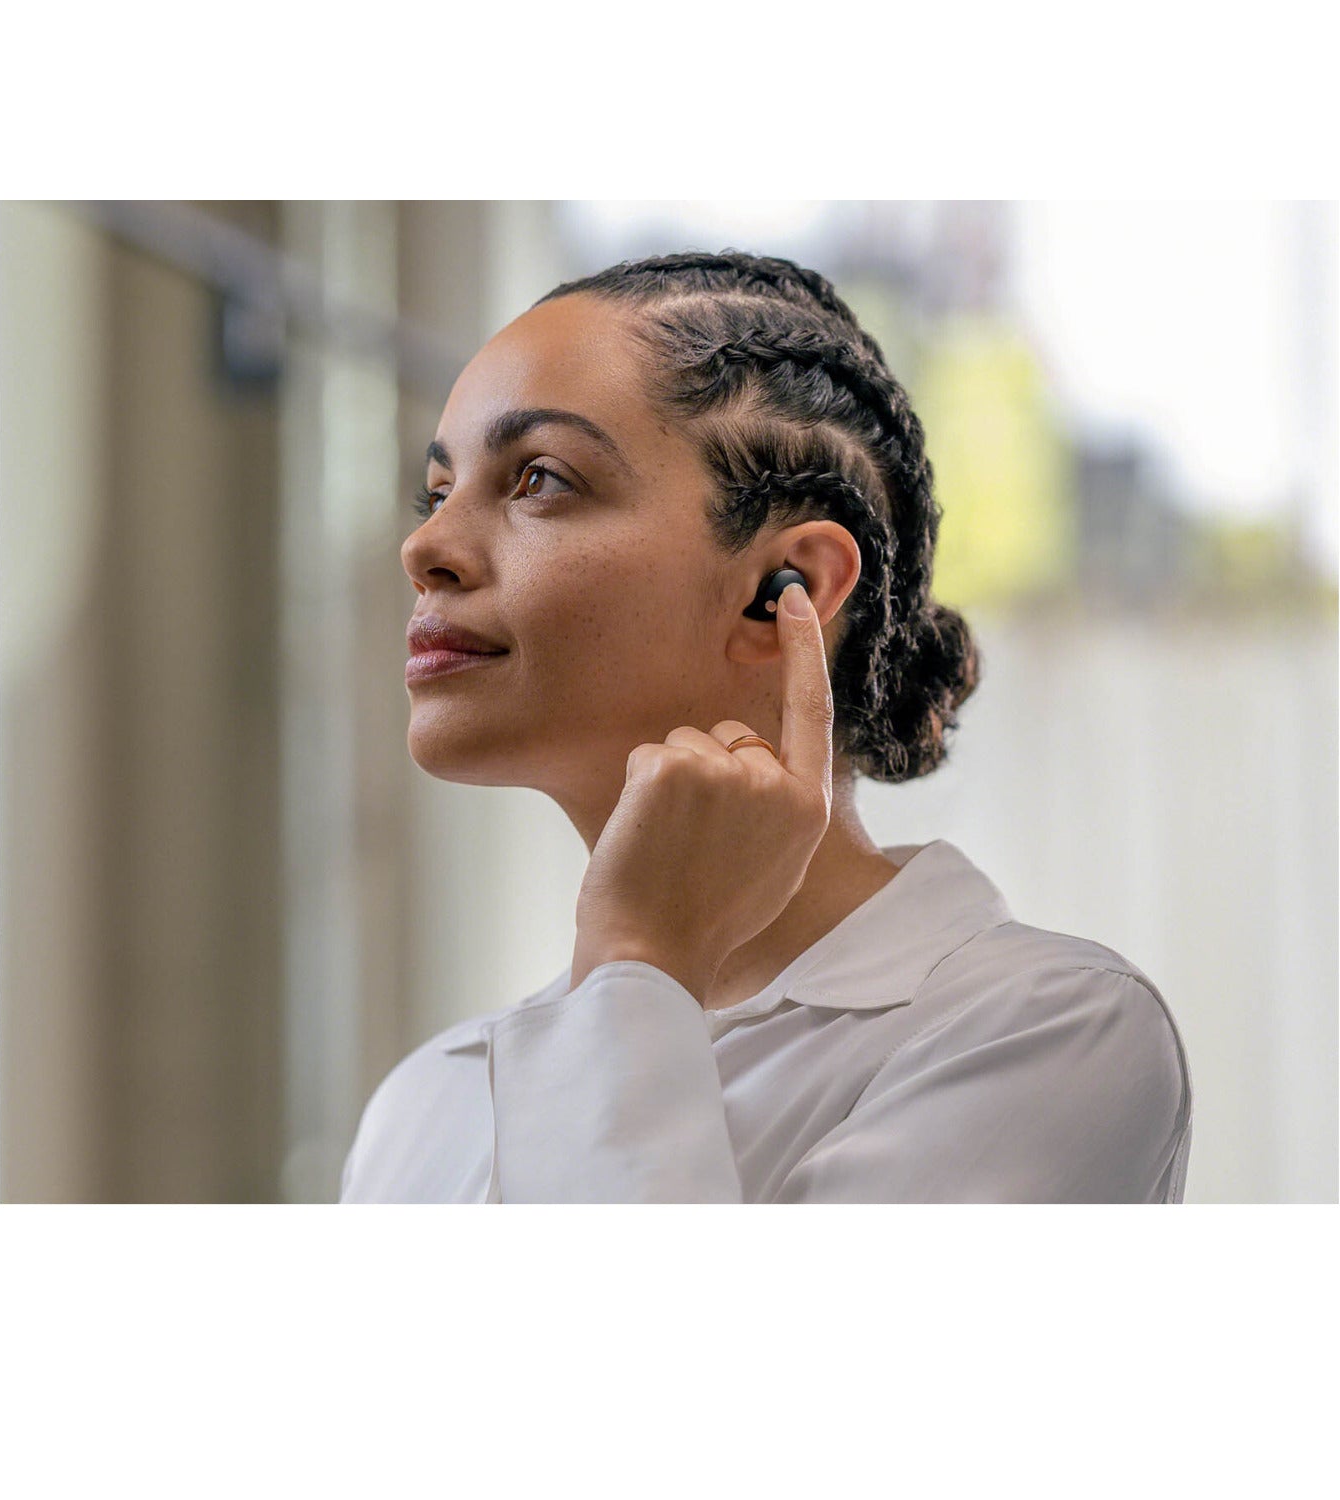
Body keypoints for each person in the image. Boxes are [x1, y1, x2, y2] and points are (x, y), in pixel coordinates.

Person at [340, 249, 1193, 1203]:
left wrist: (634, 960)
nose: (425, 546)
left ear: (787, 590)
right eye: (438, 492)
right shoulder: (426, 1104)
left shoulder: (1050, 1032)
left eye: (539, 478)